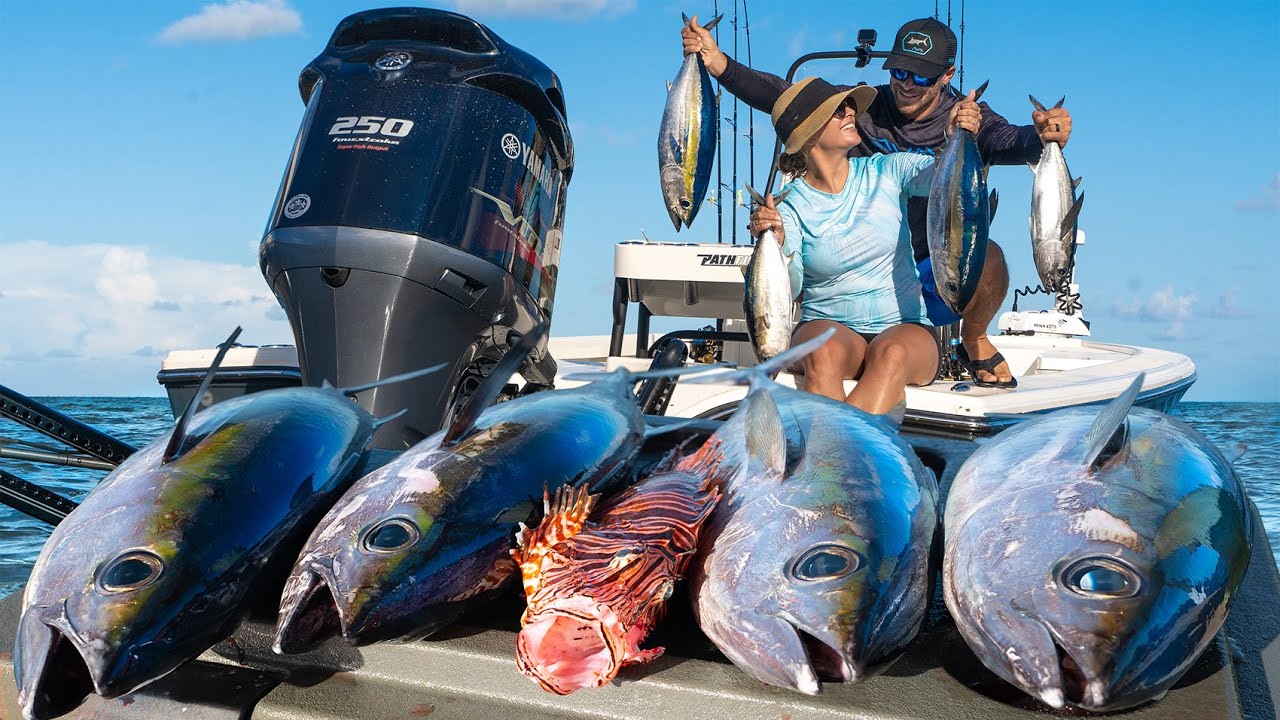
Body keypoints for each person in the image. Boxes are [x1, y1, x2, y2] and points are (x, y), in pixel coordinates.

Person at [683, 17, 1073, 388]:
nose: (906, 84)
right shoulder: (862, 111)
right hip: (870, 259)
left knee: (990, 257)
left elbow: (1009, 140)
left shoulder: (967, 117)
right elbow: (786, 99)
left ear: (947, 76)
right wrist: (719, 64)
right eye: (898, 71)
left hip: (939, 261)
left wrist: (1042, 137)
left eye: (921, 76)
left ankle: (974, 338)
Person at [749, 77, 981, 414]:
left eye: (850, 107)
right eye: (838, 110)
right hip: (827, 325)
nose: (851, 113)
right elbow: (792, 287)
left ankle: (832, 462)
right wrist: (779, 244)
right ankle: (847, 461)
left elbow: (940, 178)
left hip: (905, 329)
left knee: (892, 355)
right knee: (822, 353)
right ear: (808, 132)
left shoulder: (887, 170)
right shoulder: (789, 205)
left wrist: (952, 137)